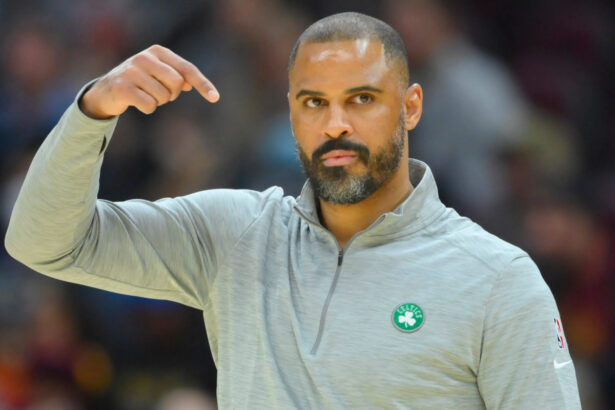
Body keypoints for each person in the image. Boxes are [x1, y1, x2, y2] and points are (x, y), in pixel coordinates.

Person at [5, 12, 580, 409]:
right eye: (313, 102)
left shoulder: (497, 280)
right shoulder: (234, 234)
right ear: (290, 112)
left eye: (361, 99)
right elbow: (43, 242)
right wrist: (93, 112)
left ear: (410, 107)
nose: (335, 124)